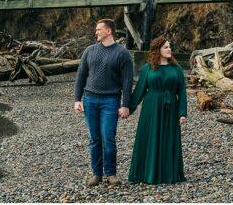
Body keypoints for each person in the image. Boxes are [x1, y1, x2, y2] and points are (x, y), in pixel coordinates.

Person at [73, 18, 134, 186]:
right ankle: (97, 174)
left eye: (99, 29)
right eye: (96, 29)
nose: (96, 32)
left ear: (109, 31)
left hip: (110, 101)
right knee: (94, 138)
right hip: (90, 99)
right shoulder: (90, 51)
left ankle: (111, 173)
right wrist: (77, 99)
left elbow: (127, 82)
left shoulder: (122, 53)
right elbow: (81, 76)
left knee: (108, 137)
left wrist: (125, 104)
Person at [127, 36, 188, 184]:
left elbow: (182, 91)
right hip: (151, 107)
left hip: (171, 107)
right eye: (166, 47)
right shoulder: (148, 68)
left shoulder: (177, 68)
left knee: (169, 138)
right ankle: (146, 174)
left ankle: (168, 175)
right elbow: (140, 90)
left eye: (169, 47)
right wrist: (128, 108)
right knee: (149, 137)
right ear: (158, 50)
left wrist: (182, 112)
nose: (169, 50)